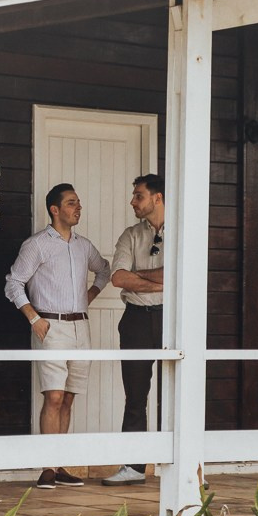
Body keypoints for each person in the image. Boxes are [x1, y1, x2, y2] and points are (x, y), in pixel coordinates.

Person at [5, 183, 110, 489]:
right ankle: (48, 468)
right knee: (53, 396)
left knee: (68, 397)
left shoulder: (83, 246)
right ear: (55, 209)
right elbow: (13, 283)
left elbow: (104, 270)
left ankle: (60, 464)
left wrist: (88, 296)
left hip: (80, 328)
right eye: (71, 203)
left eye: (78, 203)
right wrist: (33, 318)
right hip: (50, 326)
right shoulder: (37, 244)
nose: (78, 208)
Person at [102, 174, 165, 486]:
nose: (132, 202)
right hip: (136, 319)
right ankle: (133, 466)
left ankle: (188, 468)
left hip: (172, 318)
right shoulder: (131, 235)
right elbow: (118, 278)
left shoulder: (183, 231)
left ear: (157, 198)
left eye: (138, 195)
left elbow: (180, 273)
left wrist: (138, 274)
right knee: (135, 394)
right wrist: (161, 280)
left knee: (179, 393)